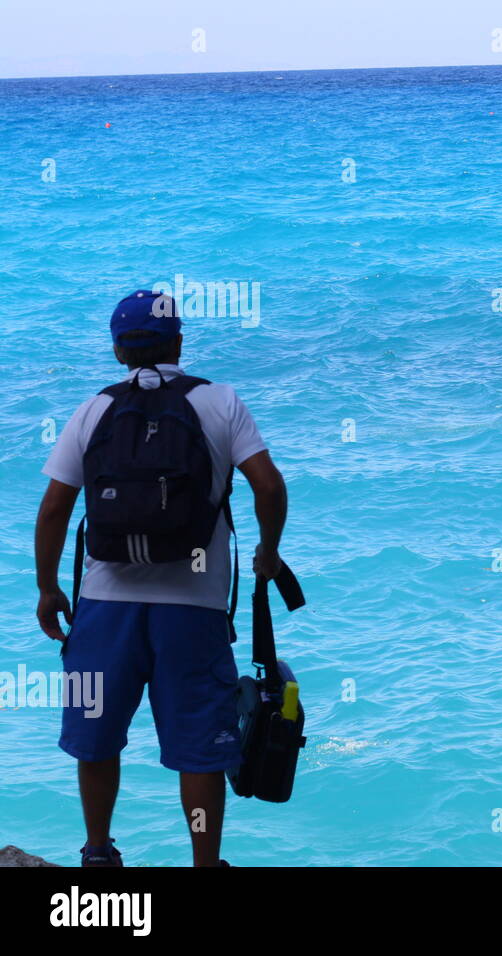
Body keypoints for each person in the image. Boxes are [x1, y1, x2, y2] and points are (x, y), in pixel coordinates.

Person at [34, 290, 289, 867]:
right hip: (193, 612)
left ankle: (98, 852)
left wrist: (48, 588)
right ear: (178, 340)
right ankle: (204, 865)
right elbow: (268, 487)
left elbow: (54, 508)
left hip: (104, 609)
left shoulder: (96, 408)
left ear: (119, 349)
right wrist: (268, 555)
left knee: (95, 737)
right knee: (200, 752)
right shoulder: (219, 402)